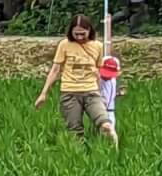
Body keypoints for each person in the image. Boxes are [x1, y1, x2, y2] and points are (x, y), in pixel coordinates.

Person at [34, 14, 118, 145]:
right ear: (70, 32)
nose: (79, 37)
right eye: (76, 34)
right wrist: (43, 94)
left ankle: (113, 153)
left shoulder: (98, 46)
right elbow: (55, 70)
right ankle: (79, 157)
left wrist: (103, 93)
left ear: (89, 30)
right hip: (70, 93)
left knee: (105, 123)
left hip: (91, 92)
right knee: (75, 131)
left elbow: (99, 70)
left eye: (82, 34)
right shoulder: (64, 45)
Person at [100, 51, 124, 134]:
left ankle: (114, 147)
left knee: (110, 132)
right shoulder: (97, 80)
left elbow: (109, 94)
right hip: (100, 111)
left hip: (110, 111)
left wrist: (117, 94)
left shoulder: (113, 80)